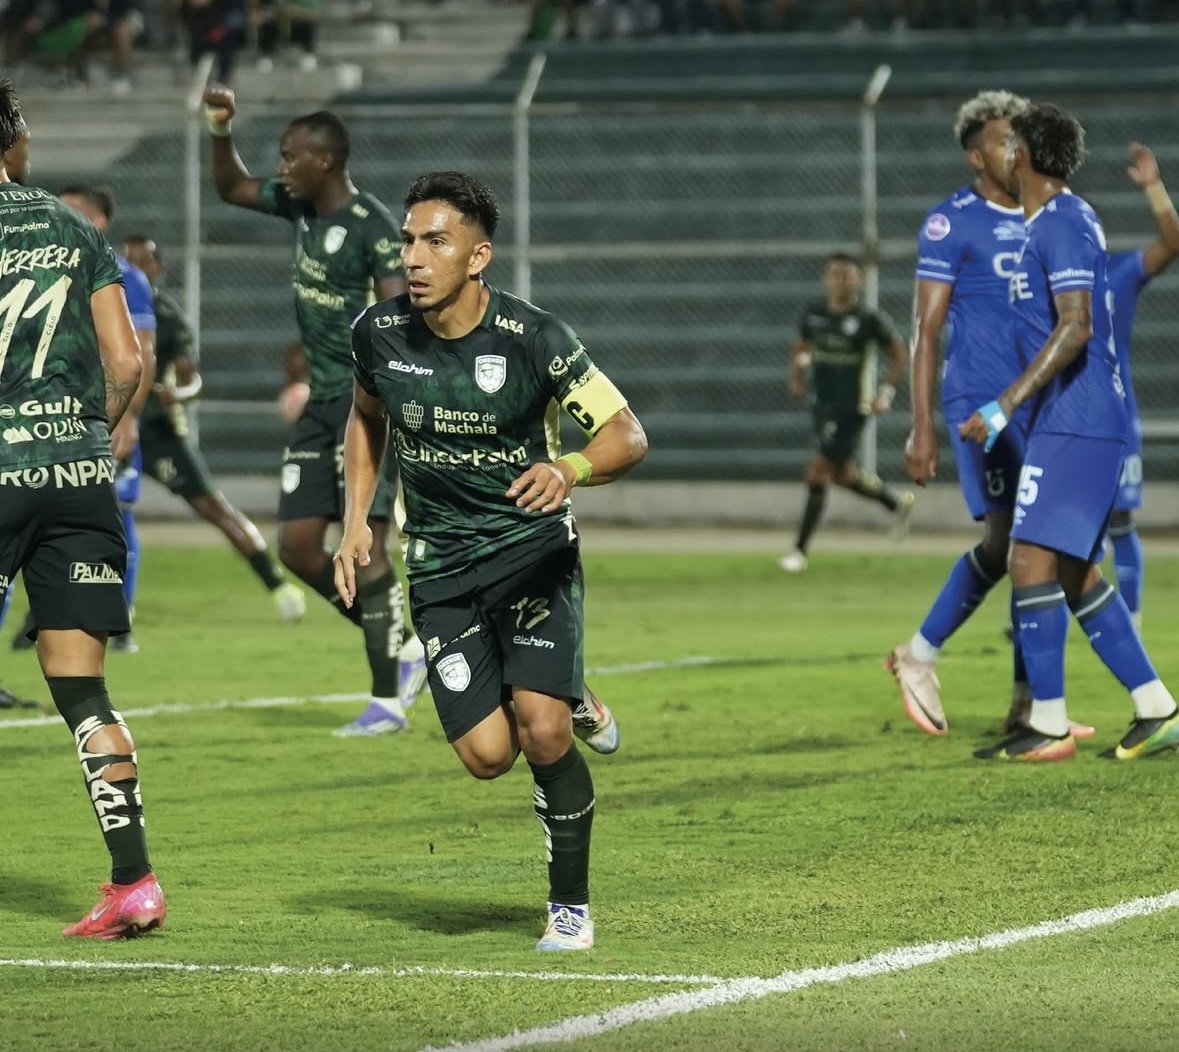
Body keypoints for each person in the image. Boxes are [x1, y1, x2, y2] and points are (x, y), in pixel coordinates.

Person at [335, 172, 646, 949]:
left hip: (531, 553)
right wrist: (355, 520)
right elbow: (365, 419)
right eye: (408, 240)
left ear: (477, 257)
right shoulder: (377, 333)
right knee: (485, 758)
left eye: (434, 242)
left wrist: (568, 469)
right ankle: (566, 686)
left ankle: (569, 909)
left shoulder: (534, 338)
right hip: (440, 567)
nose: (413, 257)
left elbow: (626, 436)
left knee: (541, 734)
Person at [202, 86, 426, 735]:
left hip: (366, 407)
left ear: (324, 161)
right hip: (319, 404)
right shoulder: (301, 208)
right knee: (299, 547)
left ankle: (387, 702)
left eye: (290, 155)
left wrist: (385, 400)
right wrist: (220, 128)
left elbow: (399, 320)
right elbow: (231, 188)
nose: (281, 167)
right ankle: (405, 644)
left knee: (364, 547)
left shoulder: (373, 228)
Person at [960, 102, 1179, 762]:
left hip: (1078, 419)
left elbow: (1076, 326)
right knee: (1076, 569)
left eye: (1009, 143)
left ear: (1020, 155)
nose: (1002, 153)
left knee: (1027, 559)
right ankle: (1156, 708)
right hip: (1074, 418)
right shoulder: (1057, 221)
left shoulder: (1059, 220)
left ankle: (1049, 724)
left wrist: (1004, 405)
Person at [0, 77, 166, 935]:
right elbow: (128, 362)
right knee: (82, 691)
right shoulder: (75, 227)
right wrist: (77, 435)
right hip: (78, 480)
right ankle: (134, 882)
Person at [886, 90, 1049, 737]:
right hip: (980, 401)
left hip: (1040, 400)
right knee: (1014, 542)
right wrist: (920, 427)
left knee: (1035, 545)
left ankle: (1027, 702)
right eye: (1005, 141)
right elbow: (925, 329)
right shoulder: (949, 222)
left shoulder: (1048, 211)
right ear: (976, 157)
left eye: (1021, 139)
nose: (1017, 150)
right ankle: (921, 654)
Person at [120, 234, 307, 622]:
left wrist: (177, 394)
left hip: (158, 433)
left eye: (143, 261)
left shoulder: (168, 320)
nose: (134, 268)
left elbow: (194, 382)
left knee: (213, 508)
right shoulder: (102, 307)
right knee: (80, 514)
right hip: (111, 429)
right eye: (128, 259)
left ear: (158, 268)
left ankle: (277, 584)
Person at [11, 185, 155, 655]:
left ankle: (120, 618)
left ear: (98, 220)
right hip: (67, 436)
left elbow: (141, 353)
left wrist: (127, 418)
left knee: (122, 511)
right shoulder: (49, 254)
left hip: (79, 423)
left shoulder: (125, 274)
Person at [779, 252, 914, 574]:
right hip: (822, 403)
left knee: (817, 470)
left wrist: (886, 392)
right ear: (826, 278)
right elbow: (801, 346)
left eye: (847, 274)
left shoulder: (868, 319)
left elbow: (898, 353)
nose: (840, 280)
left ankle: (799, 550)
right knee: (842, 475)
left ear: (858, 280)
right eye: (835, 274)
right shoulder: (814, 313)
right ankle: (895, 503)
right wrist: (797, 377)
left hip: (853, 406)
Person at [1103, 143, 1179, 631]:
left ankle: (1128, 618)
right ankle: (1047, 607)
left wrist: (1154, 188)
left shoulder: (1118, 276)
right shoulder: (1041, 282)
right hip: (1060, 418)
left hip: (1115, 416)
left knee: (1120, 521)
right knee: (1058, 525)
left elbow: (1172, 242)